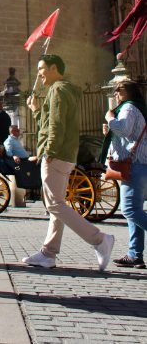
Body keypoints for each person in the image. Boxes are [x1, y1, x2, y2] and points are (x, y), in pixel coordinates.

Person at [23, 54, 114, 270]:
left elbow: (56, 126)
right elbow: (50, 123)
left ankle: (99, 239)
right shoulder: (65, 90)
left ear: (54, 68)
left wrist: (49, 151)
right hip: (66, 155)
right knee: (58, 206)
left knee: (54, 204)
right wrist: (36, 111)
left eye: (41, 68)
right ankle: (48, 254)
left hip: (57, 154)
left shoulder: (57, 90)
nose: (39, 74)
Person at [101, 80, 147, 268]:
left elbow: (123, 128)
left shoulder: (128, 108)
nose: (116, 94)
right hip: (138, 164)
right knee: (134, 211)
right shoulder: (137, 108)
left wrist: (110, 118)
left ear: (127, 92)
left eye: (118, 90)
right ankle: (134, 254)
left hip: (134, 164)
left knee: (129, 209)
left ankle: (134, 253)